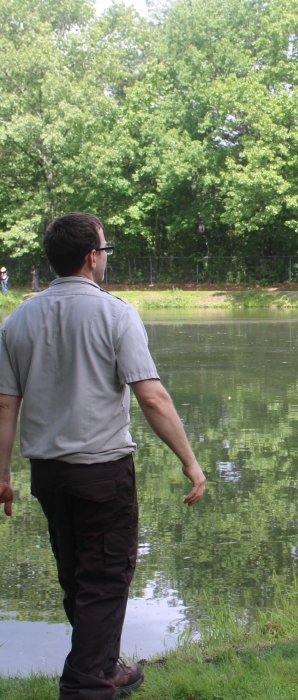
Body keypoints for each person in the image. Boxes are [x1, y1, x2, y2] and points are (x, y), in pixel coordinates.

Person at [0, 213, 206, 700]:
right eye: (105, 250)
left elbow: (6, 403)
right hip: (102, 472)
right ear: (92, 257)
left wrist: (2, 472)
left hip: (47, 475)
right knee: (107, 576)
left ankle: (104, 666)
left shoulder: (17, 320)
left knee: (77, 575)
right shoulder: (117, 314)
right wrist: (190, 462)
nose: (105, 257)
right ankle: (87, 685)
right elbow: (151, 397)